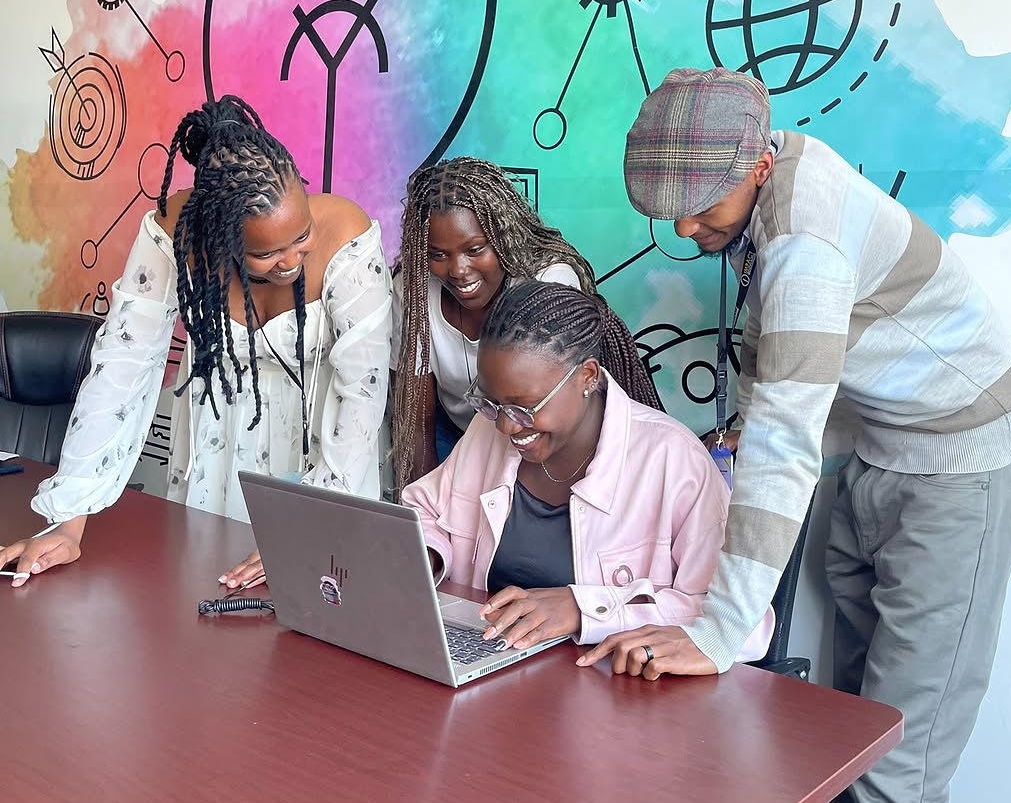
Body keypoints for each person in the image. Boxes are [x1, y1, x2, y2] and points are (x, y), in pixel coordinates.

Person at [582, 67, 1011, 803]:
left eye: (700, 206)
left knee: (892, 785)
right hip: (870, 452)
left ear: (755, 165)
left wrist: (716, 632)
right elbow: (786, 399)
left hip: (956, 475)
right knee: (852, 754)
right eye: (666, 208)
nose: (681, 228)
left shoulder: (805, 246)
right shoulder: (770, 191)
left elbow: (788, 446)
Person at [0, 95, 392, 589]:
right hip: (215, 439)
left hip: (323, 453)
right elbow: (122, 364)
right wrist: (69, 517)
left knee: (311, 610)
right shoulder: (176, 231)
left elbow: (363, 392)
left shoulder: (348, 237)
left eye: (302, 235)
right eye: (267, 253)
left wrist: (307, 529)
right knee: (208, 599)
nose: (293, 260)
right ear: (221, 239)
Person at [403, 279, 774, 657]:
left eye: (524, 407)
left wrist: (583, 609)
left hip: (617, 690)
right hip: (494, 666)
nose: (506, 426)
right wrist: (427, 554)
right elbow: (425, 512)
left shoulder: (672, 460)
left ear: (587, 377)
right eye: (492, 403)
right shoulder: (491, 429)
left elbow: (743, 623)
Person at [392, 157, 595, 495]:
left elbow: (559, 413)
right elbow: (417, 421)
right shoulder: (413, 290)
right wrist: (421, 511)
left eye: (475, 249)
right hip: (454, 433)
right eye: (437, 254)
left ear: (503, 236)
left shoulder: (547, 281)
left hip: (538, 436)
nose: (458, 270)